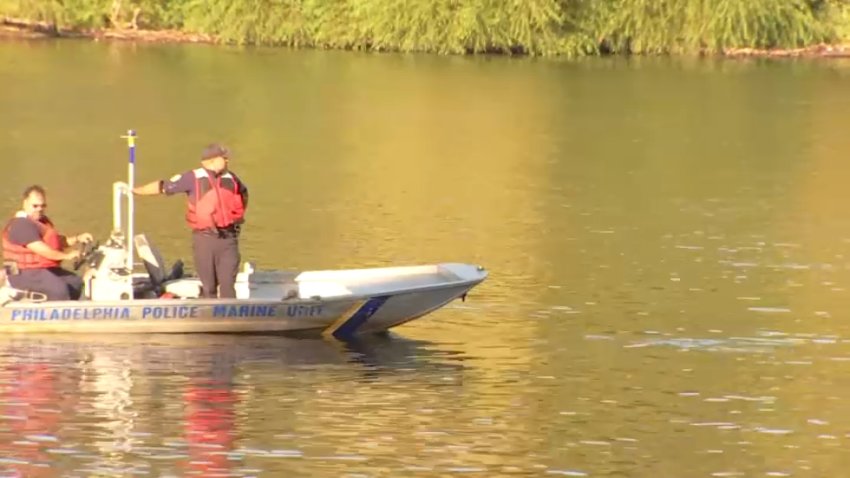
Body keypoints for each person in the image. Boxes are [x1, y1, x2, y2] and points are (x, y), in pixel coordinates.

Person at [133, 143, 248, 298]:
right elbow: (163, 186)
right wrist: (136, 191)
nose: (227, 161)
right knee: (209, 286)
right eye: (224, 158)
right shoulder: (193, 177)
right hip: (205, 240)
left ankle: (230, 319)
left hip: (228, 240)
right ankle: (209, 316)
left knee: (228, 284)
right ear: (211, 160)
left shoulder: (232, 179)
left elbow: (242, 198)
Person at [1, 185, 94, 301]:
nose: (39, 209)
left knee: (75, 282)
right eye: (35, 206)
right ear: (25, 203)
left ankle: (76, 311)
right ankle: (56, 315)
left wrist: (78, 238)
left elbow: (58, 241)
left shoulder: (41, 222)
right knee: (59, 290)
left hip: (38, 270)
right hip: (22, 273)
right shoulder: (21, 225)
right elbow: (43, 251)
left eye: (42, 206)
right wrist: (67, 256)